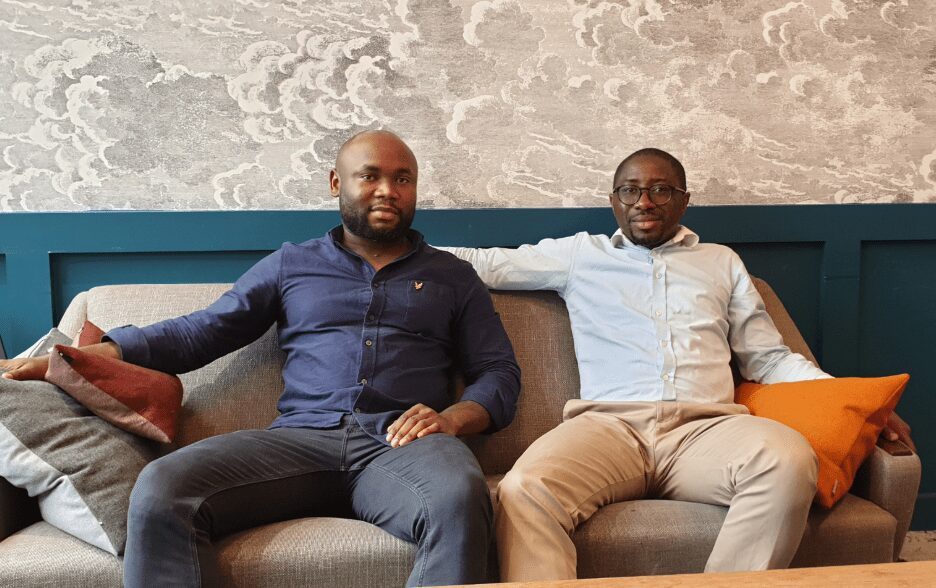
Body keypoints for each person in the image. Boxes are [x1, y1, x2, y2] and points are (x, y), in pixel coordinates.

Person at [1, 130, 521, 587]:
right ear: (337, 184)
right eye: (371, 176)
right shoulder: (293, 263)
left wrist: (451, 419)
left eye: (403, 179)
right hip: (300, 444)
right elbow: (204, 331)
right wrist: (89, 355)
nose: (388, 190)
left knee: (458, 498)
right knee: (163, 488)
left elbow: (498, 372)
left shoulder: (453, 277)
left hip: (404, 446)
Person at [444, 148, 915, 581]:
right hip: (607, 427)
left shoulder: (720, 262)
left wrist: (851, 405)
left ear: (683, 200)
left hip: (706, 431)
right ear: (614, 201)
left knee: (789, 459)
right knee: (524, 488)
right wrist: (383, 251)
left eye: (660, 189)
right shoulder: (580, 256)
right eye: (630, 190)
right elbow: (483, 263)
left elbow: (769, 360)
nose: (644, 201)